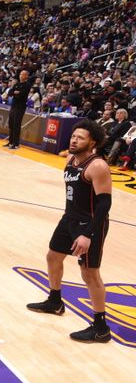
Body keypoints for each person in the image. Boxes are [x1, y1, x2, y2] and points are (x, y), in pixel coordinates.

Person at [27, 120, 113, 343]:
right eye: (73, 136)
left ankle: (101, 327)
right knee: (53, 256)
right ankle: (55, 301)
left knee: (89, 274)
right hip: (69, 218)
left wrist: (88, 235)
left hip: (90, 224)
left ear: (92, 142)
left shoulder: (98, 166)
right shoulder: (70, 159)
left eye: (80, 137)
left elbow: (104, 205)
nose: (74, 140)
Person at [4, 69, 32, 149]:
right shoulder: (17, 84)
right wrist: (15, 92)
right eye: (20, 74)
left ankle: (16, 144)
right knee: (11, 124)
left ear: (26, 76)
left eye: (23, 74)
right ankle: (10, 142)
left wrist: (15, 93)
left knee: (16, 125)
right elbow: (10, 93)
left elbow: (21, 95)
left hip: (20, 107)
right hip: (13, 106)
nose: (20, 76)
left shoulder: (27, 85)